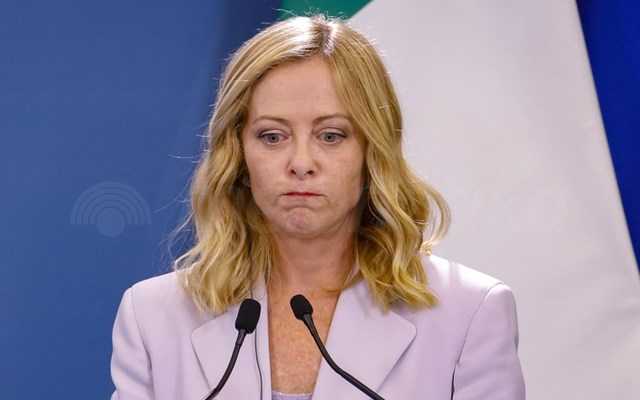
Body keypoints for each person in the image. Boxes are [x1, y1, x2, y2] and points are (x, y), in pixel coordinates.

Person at [110, 14, 525, 400]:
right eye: (272, 136)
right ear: (237, 153)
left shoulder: (469, 313)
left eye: (331, 135)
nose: (301, 163)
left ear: (372, 151)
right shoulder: (153, 317)